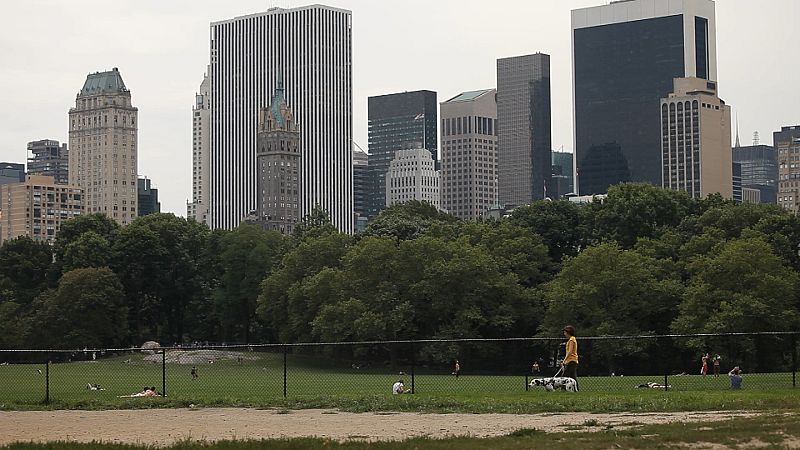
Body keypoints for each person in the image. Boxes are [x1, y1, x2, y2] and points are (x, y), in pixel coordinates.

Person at [561, 325, 579, 391]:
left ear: (568, 332)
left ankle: (563, 390)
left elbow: (570, 351)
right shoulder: (571, 339)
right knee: (573, 377)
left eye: (565, 332)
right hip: (572, 360)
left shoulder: (571, 339)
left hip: (571, 360)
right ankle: (576, 390)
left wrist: (564, 360)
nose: (564, 334)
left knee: (564, 377)